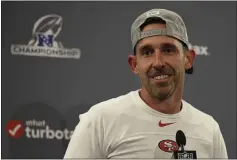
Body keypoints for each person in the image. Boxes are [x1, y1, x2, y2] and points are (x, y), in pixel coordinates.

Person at [64, 8, 228, 158]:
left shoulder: (209, 129)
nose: (158, 62)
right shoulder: (101, 120)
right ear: (134, 64)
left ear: (188, 59)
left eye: (168, 50)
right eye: (147, 52)